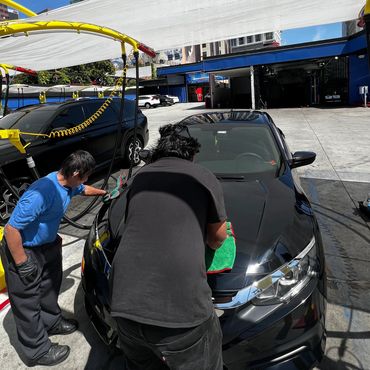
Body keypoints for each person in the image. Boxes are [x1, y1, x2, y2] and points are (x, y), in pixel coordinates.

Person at [110, 123, 228, 370]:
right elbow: (218, 237)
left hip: (123, 310)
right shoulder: (203, 176)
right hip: (181, 320)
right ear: (192, 154)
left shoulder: (140, 176)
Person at [1, 150, 107, 367]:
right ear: (76, 172)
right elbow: (11, 229)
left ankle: (51, 321)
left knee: (49, 287)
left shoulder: (69, 182)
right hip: (23, 249)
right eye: (85, 175)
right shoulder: (41, 193)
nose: (86, 180)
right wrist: (22, 262)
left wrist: (103, 192)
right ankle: (36, 351)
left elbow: (83, 188)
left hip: (46, 246)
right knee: (27, 301)